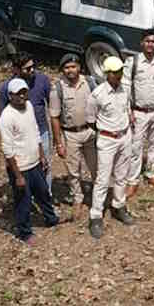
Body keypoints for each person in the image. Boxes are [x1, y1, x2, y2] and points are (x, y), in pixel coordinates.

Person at [0, 78, 59, 244]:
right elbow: (7, 150)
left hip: (35, 162)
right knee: (23, 201)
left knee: (43, 193)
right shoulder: (6, 117)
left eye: (24, 92)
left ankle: (51, 218)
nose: (21, 96)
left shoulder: (29, 106)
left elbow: (35, 132)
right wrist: (18, 176)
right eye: (17, 93)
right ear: (10, 95)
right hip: (21, 167)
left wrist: (42, 155)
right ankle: (24, 232)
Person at [85, 56, 137, 239]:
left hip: (125, 136)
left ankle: (118, 205)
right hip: (107, 139)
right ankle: (96, 215)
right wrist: (107, 131)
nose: (118, 75)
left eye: (120, 71)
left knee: (122, 175)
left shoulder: (125, 89)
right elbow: (90, 120)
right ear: (107, 73)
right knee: (103, 178)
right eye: (114, 72)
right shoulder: (97, 95)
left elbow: (127, 108)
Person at [48, 54, 98, 222]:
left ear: (79, 68)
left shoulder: (89, 82)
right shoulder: (57, 88)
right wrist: (58, 143)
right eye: (67, 67)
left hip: (90, 131)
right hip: (70, 134)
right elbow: (54, 117)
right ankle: (78, 198)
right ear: (62, 70)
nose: (70, 70)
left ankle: (99, 195)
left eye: (73, 66)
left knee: (95, 166)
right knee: (73, 170)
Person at [126, 30, 154, 195]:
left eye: (153, 41)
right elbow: (125, 89)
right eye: (147, 41)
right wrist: (128, 111)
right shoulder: (132, 62)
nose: (150, 44)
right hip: (138, 112)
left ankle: (151, 173)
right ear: (141, 43)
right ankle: (132, 180)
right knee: (136, 146)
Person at [0, 55, 55, 182]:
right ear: (16, 70)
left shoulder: (42, 80)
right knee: (23, 167)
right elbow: (2, 115)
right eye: (27, 68)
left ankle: (46, 192)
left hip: (41, 131)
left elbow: (52, 106)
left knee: (45, 166)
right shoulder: (7, 87)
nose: (32, 70)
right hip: (18, 137)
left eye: (33, 66)